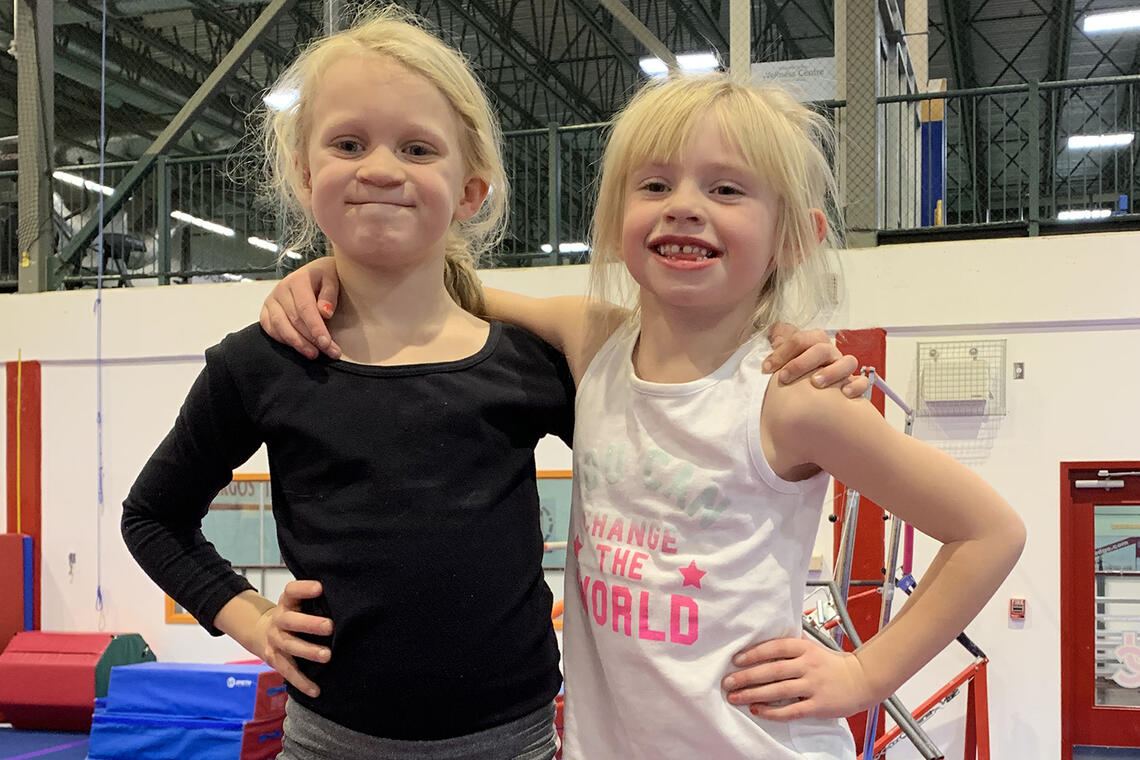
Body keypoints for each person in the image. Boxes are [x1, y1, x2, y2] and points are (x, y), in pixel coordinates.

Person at [123, 8, 862, 760]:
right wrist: (249, 618)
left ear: (470, 190)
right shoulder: (265, 362)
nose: (379, 168)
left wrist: (771, 344)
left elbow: (681, 391)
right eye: (348, 144)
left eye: (416, 148)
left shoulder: (530, 363)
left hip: (512, 743)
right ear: (307, 174)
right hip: (329, 740)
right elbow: (152, 516)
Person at [262, 72, 1025, 759]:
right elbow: (434, 292)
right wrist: (330, 271)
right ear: (615, 218)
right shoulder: (591, 339)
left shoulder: (791, 394)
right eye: (655, 185)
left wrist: (864, 673)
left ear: (795, 236)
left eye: (727, 190)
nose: (685, 206)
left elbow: (989, 532)